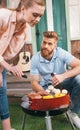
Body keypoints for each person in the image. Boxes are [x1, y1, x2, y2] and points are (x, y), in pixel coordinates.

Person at [0, 0, 45, 130]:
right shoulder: (2, 16)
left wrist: (1, 69)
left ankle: (7, 128)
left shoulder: (23, 33)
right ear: (23, 9)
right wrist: (9, 67)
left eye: (40, 16)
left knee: (1, 91)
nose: (37, 19)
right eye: (35, 14)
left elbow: (5, 53)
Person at [30, 31, 80, 129]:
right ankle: (54, 107)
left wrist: (63, 76)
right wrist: (42, 91)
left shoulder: (61, 53)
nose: (46, 46)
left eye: (50, 44)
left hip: (62, 84)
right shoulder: (35, 58)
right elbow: (34, 82)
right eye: (44, 42)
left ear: (55, 45)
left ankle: (72, 113)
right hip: (46, 88)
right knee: (47, 105)